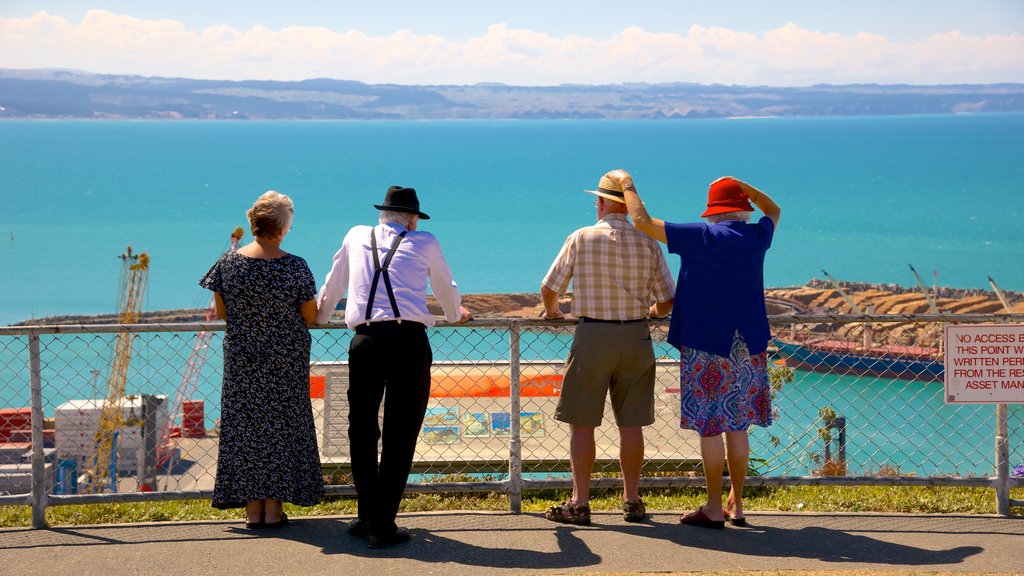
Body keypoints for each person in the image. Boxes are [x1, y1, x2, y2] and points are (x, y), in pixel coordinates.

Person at [613, 169, 781, 529]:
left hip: (706, 342)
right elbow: (774, 209)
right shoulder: (756, 236)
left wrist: (627, 183)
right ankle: (737, 505)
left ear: (713, 211)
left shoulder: (700, 236)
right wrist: (745, 186)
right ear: (742, 209)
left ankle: (714, 507)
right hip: (747, 342)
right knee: (738, 428)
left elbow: (641, 221)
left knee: (710, 427)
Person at [316, 185, 472, 548]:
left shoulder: (356, 236)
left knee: (362, 430)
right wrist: (454, 314)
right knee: (401, 433)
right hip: (408, 342)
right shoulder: (425, 241)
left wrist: (321, 316)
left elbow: (334, 283)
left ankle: (367, 515)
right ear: (413, 219)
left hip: (365, 341)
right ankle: (383, 524)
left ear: (382, 214)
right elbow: (446, 286)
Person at [540, 171, 675, 526]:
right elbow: (668, 301)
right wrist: (648, 313)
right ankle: (631, 499)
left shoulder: (581, 237)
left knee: (582, 424)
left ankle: (580, 502)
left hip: (593, 336)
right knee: (632, 425)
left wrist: (555, 313)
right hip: (636, 338)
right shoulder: (649, 243)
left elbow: (549, 287)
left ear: (600, 203)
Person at [199, 191, 324, 529]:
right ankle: (274, 509)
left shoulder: (228, 263)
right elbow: (310, 316)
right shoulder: (295, 266)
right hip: (285, 359)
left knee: (247, 429)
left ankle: (252, 511)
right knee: (283, 428)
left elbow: (222, 311)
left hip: (244, 358)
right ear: (282, 227)